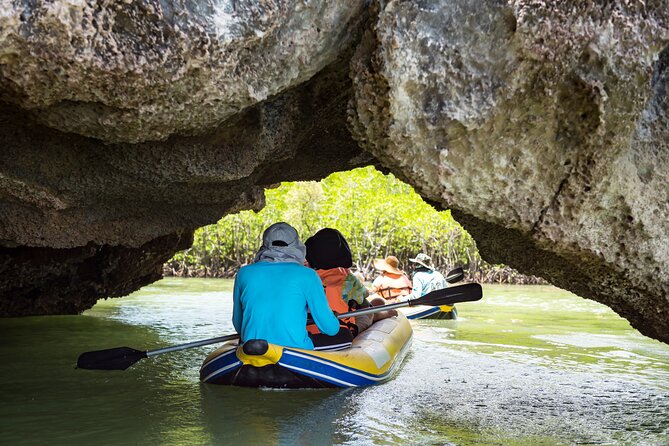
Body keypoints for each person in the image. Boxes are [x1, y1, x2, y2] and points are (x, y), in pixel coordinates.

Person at [232, 222, 341, 350]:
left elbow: (239, 325)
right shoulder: (308, 275)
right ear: (297, 245)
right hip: (295, 351)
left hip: (250, 348)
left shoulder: (244, 273)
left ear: (264, 245)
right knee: (344, 334)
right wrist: (334, 319)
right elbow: (330, 329)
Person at [305, 228, 396, 339]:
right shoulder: (347, 278)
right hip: (342, 331)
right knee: (369, 308)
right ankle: (382, 314)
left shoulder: (306, 276)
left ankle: (379, 313)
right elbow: (364, 297)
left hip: (309, 331)